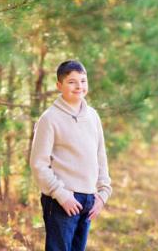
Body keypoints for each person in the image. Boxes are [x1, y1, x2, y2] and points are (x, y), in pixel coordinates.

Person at [30, 60, 112, 251]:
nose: (79, 86)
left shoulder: (92, 116)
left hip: (88, 200)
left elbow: (100, 156)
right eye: (72, 82)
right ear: (59, 86)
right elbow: (38, 165)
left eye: (83, 81)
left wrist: (102, 195)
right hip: (61, 200)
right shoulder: (49, 119)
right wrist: (61, 195)